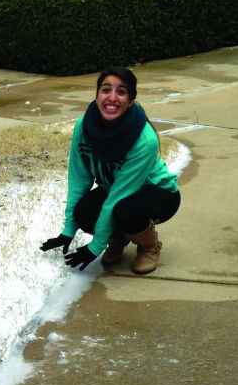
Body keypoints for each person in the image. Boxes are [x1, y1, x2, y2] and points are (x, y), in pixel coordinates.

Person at [40, 66, 180, 275]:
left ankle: (149, 246)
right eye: (106, 90)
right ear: (97, 95)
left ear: (130, 100)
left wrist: (95, 246)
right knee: (83, 212)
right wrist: (69, 229)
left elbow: (118, 197)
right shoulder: (83, 127)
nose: (112, 98)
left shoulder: (144, 140)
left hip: (158, 193)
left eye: (121, 92)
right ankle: (118, 238)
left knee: (125, 211)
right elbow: (79, 180)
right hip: (117, 190)